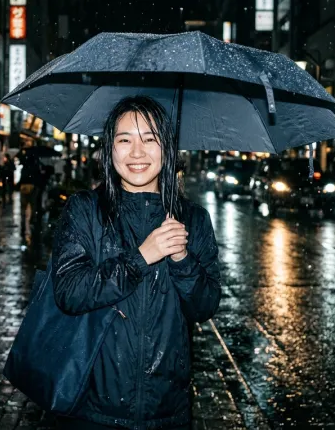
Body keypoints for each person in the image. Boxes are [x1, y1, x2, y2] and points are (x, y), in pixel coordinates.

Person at [50, 96, 222, 429]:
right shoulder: (86, 211)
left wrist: (181, 259)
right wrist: (142, 257)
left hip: (167, 412)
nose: (137, 152)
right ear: (109, 149)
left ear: (167, 149)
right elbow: (69, 292)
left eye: (150, 139)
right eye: (125, 139)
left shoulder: (194, 220)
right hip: (92, 410)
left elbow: (205, 306)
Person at [16, 141, 44, 237]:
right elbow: (38, 175)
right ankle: (32, 220)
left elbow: (18, 157)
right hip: (33, 185)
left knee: (24, 205)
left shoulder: (24, 160)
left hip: (24, 184)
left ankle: (24, 220)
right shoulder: (35, 162)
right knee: (33, 204)